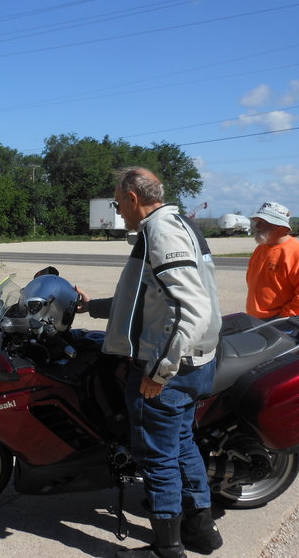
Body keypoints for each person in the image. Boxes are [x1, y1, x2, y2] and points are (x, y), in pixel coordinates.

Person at [75, 167, 223, 558]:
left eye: (118, 201)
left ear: (132, 197)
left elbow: (192, 308)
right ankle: (202, 532)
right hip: (198, 361)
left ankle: (167, 549)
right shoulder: (180, 224)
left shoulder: (161, 232)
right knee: (182, 445)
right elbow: (147, 298)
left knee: (157, 457)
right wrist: (94, 307)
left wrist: (161, 370)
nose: (118, 210)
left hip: (171, 366)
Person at [246, 201, 299, 319]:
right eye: (257, 222)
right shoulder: (260, 249)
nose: (257, 226)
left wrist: (282, 318)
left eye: (262, 222)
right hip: (254, 319)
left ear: (280, 227)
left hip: (280, 324)